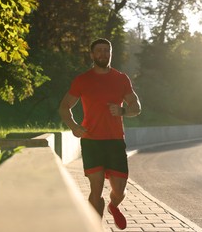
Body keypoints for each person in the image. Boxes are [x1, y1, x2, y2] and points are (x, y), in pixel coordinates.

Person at [59, 38, 141, 230]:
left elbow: (136, 106)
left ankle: (113, 205)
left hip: (115, 141)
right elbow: (64, 107)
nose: (103, 54)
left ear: (111, 53)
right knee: (95, 191)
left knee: (119, 191)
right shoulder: (82, 80)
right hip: (92, 141)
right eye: (99, 51)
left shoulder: (121, 79)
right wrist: (73, 126)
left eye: (107, 50)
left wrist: (122, 111)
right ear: (92, 54)